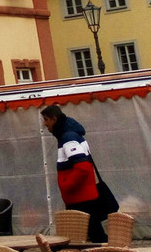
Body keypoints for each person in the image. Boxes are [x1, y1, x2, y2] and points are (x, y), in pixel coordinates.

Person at [41, 104, 110, 242]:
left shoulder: (68, 138)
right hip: (83, 196)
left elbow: (83, 167)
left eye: (46, 119)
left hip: (80, 198)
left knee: (91, 237)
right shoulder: (70, 134)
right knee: (95, 234)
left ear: (54, 119)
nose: (45, 124)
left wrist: (66, 186)